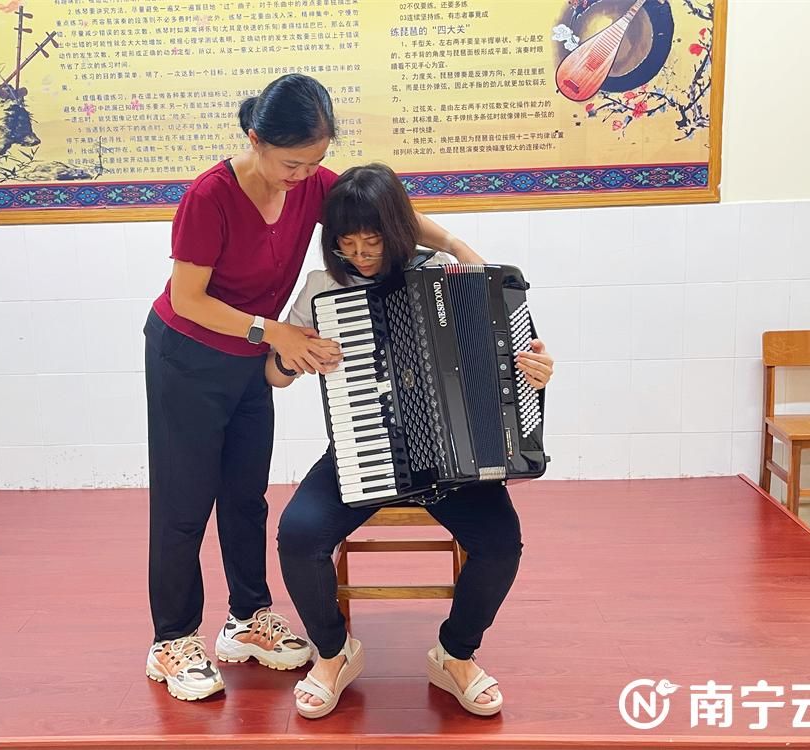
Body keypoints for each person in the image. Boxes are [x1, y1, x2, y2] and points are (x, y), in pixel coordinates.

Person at [143, 75, 487, 703]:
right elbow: (189, 299)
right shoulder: (210, 196)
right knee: (184, 501)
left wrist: (457, 245)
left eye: (317, 161)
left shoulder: (313, 184)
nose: (304, 175)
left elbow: (387, 214)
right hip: (188, 356)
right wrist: (275, 331)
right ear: (256, 140)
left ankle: (247, 620)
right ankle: (173, 639)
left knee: (245, 495)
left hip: (252, 358)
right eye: (291, 162)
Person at [270, 164, 555, 718]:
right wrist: (292, 355)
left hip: (454, 462)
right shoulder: (323, 288)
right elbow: (275, 376)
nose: (360, 254)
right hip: (362, 451)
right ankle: (332, 653)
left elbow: (506, 355)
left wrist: (536, 372)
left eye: (372, 239)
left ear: (399, 231)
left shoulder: (444, 272)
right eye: (346, 243)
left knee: (501, 544)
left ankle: (454, 655)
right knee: (297, 535)